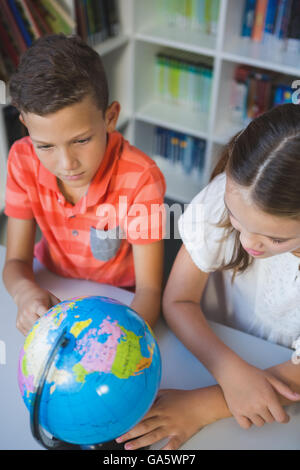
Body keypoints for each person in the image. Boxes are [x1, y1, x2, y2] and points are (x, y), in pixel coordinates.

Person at [115, 103, 300, 450]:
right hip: (213, 341)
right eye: (236, 219)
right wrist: (228, 370)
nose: (248, 243)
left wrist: (205, 405)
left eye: (276, 238)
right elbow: (178, 298)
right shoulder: (226, 196)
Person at [2, 34, 166, 336]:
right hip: (53, 283)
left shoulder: (141, 177)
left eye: (81, 140)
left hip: (119, 299)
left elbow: (150, 291)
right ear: (25, 124)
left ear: (110, 118)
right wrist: (25, 293)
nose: (66, 164)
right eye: (46, 146)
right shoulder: (22, 159)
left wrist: (120, 341)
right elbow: (15, 262)